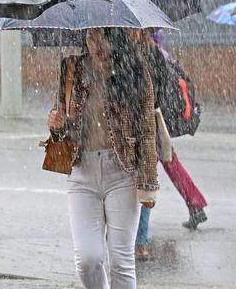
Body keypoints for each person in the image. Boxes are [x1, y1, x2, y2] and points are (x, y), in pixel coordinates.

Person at [47, 27, 158, 289]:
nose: (95, 44)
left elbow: (147, 130)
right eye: (90, 37)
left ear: (115, 37)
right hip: (82, 171)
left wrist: (148, 183)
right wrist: (57, 124)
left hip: (122, 172)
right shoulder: (72, 69)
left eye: (102, 37)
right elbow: (61, 127)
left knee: (121, 260)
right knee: (87, 259)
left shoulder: (135, 70)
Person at [128, 29, 208, 261]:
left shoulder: (138, 54)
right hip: (156, 125)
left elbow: (154, 94)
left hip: (146, 126)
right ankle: (194, 203)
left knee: (145, 179)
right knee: (161, 168)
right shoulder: (160, 53)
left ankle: (138, 238)